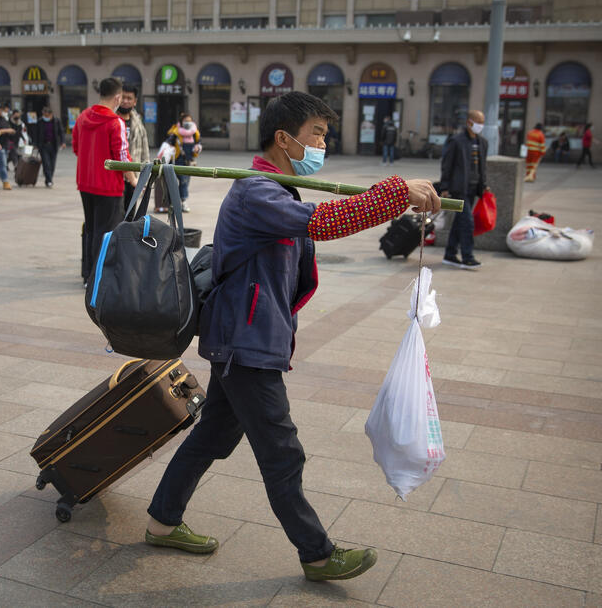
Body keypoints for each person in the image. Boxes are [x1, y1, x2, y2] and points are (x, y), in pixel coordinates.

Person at [142, 91, 442, 582]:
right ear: (285, 138)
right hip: (245, 343)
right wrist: (394, 193)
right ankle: (318, 554)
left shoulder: (276, 190)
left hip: (246, 337)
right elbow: (326, 223)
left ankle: (161, 520)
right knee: (282, 452)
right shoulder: (256, 191)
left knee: (213, 436)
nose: (324, 142)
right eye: (317, 134)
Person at [73, 77, 132, 285]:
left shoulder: (82, 117)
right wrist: (133, 180)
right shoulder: (115, 122)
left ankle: (88, 274)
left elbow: (76, 148)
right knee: (105, 232)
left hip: (85, 182)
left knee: (90, 228)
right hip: (108, 186)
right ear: (117, 97)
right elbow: (122, 156)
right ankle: (97, 277)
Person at [436, 109, 489, 270]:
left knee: (460, 222)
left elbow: (482, 167)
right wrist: (444, 186)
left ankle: (450, 254)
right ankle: (468, 257)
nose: (480, 125)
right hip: (459, 188)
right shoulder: (457, 141)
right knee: (467, 222)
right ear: (469, 122)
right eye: (477, 122)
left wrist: (484, 185)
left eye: (482, 122)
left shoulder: (482, 142)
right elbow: (447, 165)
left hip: (474, 188)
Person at [117, 84, 149, 211]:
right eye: (123, 97)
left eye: (129, 98)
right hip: (116, 177)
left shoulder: (138, 122)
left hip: (133, 177)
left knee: (130, 214)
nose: (125, 101)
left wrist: (144, 178)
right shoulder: (112, 119)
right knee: (116, 215)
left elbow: (144, 150)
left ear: (135, 101)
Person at [167, 113, 201, 212]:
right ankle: (183, 201)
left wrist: (197, 148)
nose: (188, 123)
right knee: (183, 181)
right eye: (185, 121)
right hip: (178, 160)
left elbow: (199, 143)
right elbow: (168, 143)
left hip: (189, 161)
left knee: (184, 182)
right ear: (181, 122)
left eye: (189, 121)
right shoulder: (176, 132)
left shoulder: (195, 133)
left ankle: (177, 201)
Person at [33, 106, 65, 188]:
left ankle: (49, 178)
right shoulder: (40, 121)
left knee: (52, 164)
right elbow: (36, 133)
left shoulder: (56, 121)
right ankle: (49, 180)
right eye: (44, 115)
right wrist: (35, 144)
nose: (45, 117)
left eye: (47, 115)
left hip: (53, 145)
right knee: (46, 163)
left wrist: (63, 142)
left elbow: (61, 132)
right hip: (43, 145)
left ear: (51, 114)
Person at [0, 105, 15, 190]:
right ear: (0, 110)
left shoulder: (5, 119)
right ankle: (5, 181)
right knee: (3, 164)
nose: (6, 113)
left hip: (5, 144)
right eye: (5, 111)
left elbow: (8, 127)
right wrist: (7, 130)